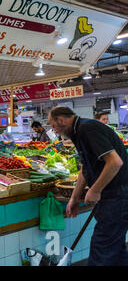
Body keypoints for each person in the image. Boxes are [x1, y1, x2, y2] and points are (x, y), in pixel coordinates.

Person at [48, 106, 128, 266]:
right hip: (112, 197)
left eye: (53, 126)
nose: (54, 130)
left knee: (102, 250)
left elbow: (115, 162)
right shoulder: (78, 133)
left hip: (117, 195)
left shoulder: (87, 128)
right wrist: (74, 198)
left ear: (61, 120)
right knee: (115, 250)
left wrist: (95, 189)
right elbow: (86, 167)